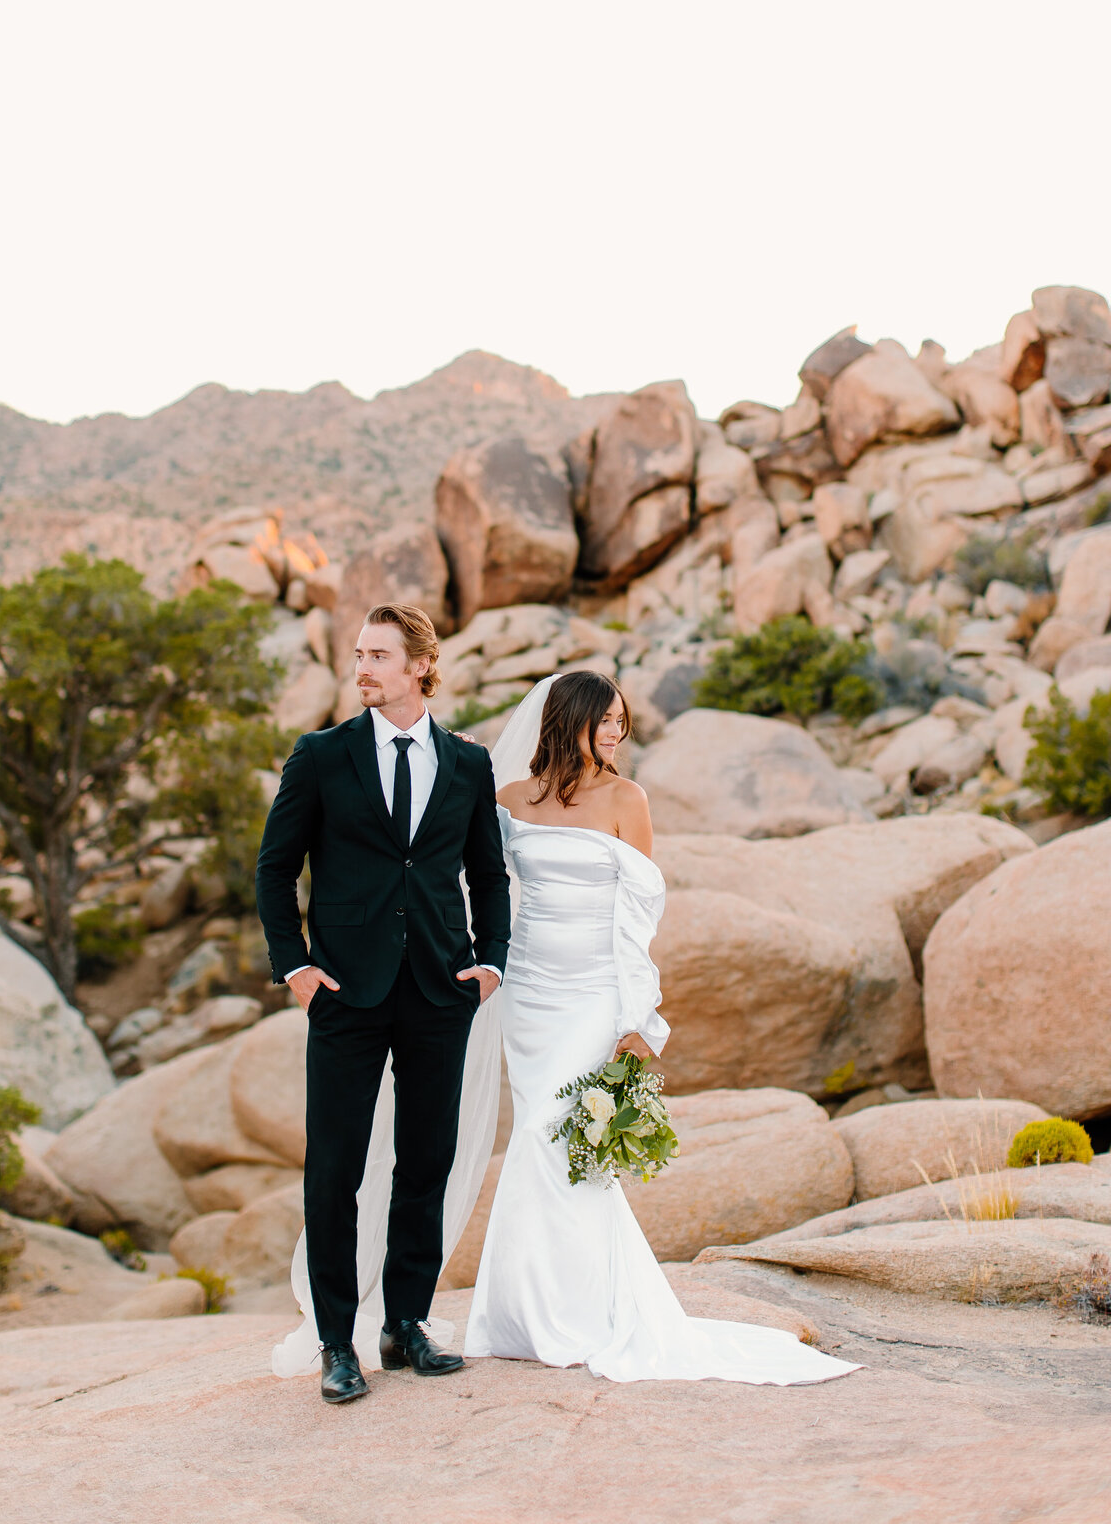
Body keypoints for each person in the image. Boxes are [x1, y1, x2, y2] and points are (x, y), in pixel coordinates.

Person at [464, 669, 860, 1386]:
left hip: (590, 993)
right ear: (567, 722)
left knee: (557, 1138)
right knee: (534, 1141)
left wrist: (635, 1018)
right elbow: (486, 887)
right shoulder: (510, 798)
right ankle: (521, 1314)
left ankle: (586, 1316)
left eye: (622, 721)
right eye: (604, 720)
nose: (615, 733)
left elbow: (638, 916)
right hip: (527, 990)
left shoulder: (628, 800)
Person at [256, 602, 510, 1405]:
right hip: (343, 993)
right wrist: (293, 966)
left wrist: (490, 963)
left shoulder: (467, 764)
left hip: (440, 990)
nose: (361, 668)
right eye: (358, 654)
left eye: (378, 656)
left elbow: (489, 875)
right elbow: (274, 870)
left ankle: (406, 1324)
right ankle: (339, 1342)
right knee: (334, 1169)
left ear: (420, 669)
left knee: (424, 1165)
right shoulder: (321, 756)